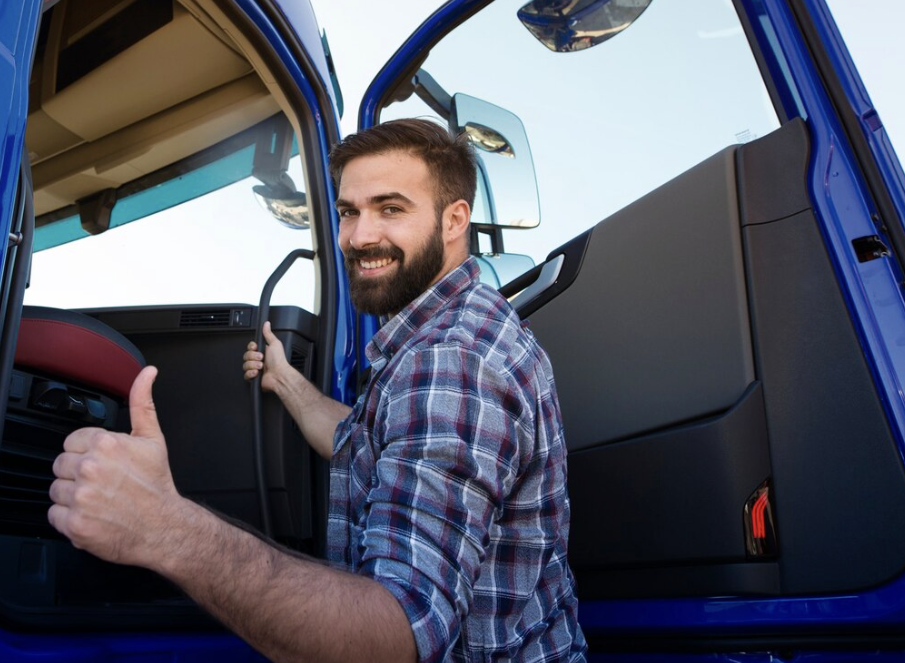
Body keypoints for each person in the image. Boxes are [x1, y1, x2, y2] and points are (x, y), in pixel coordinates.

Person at [48, 118, 586, 662]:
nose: (359, 236)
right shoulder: (443, 332)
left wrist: (164, 528)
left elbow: (398, 636)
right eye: (349, 211)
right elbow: (358, 442)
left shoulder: (452, 360)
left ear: (454, 220)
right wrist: (285, 379)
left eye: (391, 209)